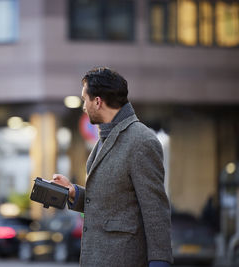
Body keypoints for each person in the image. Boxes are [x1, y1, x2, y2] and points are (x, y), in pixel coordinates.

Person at [52, 67, 173, 267]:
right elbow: (112, 204)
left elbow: (155, 211)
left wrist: (160, 262)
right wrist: (74, 192)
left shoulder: (141, 141)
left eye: (85, 99)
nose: (83, 106)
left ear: (97, 101)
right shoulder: (103, 140)